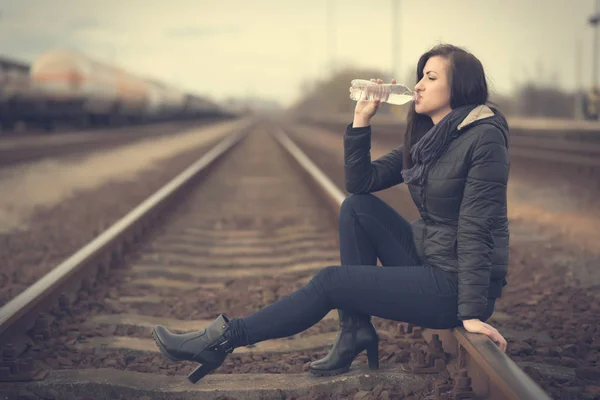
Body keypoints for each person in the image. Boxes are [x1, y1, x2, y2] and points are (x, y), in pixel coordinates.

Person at [152, 44, 509, 384]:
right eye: (420, 75)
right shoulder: (431, 139)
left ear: (459, 86)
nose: (417, 85)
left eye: (430, 77)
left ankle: (221, 341)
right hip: (432, 256)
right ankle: (354, 331)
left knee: (330, 281)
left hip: (454, 283)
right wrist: (360, 121)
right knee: (356, 208)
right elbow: (360, 183)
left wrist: (471, 313)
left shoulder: (484, 139)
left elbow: (479, 227)